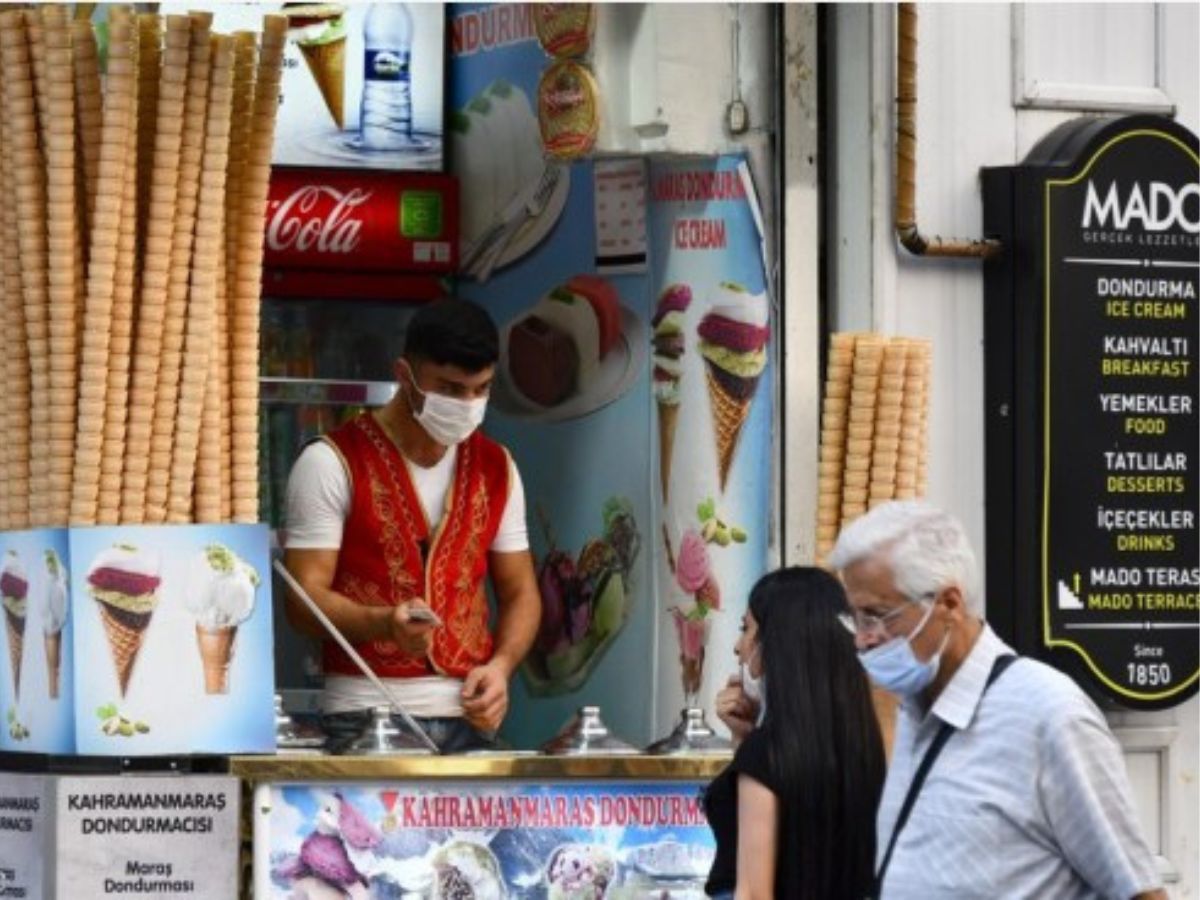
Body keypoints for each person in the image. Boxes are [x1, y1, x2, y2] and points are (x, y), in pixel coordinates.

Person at [828, 500, 1166, 900]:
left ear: (949, 604)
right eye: (856, 618)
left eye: (877, 615)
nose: (863, 638)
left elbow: (1140, 891)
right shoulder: (915, 705)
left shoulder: (1049, 714)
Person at [283, 298, 540, 754]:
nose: (467, 404)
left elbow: (521, 591)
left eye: (480, 389)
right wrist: (384, 623)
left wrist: (501, 667)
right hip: (364, 715)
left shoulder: (497, 466)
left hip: (471, 721)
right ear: (404, 375)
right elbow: (303, 601)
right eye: (450, 389)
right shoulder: (331, 461)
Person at [706, 566, 886, 899]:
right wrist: (744, 738)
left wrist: (751, 748)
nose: (738, 646)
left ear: (777, 643)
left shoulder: (765, 754)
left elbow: (754, 893)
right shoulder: (864, 749)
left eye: (746, 629)